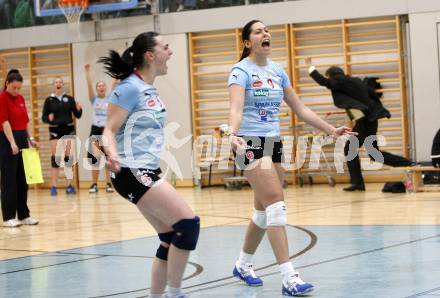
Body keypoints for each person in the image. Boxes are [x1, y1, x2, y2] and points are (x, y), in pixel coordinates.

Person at [228, 20, 355, 297]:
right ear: (248, 42)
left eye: (267, 30)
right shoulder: (241, 71)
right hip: (248, 142)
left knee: (263, 212)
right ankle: (289, 277)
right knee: (276, 206)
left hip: (274, 142)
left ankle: (242, 264)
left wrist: (331, 129)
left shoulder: (277, 71)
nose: (266, 34)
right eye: (259, 31)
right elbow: (235, 108)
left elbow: (300, 109)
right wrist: (233, 133)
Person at [99, 31, 200, 298]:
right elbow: (108, 129)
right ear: (150, 55)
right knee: (188, 226)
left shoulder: (146, 88)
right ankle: (175, 293)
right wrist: (111, 154)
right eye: (166, 47)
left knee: (169, 238)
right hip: (131, 170)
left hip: (145, 170)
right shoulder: (129, 88)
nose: (171, 52)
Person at [305, 57, 412, 191]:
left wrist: (310, 67)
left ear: (332, 75)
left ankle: (360, 182)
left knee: (354, 149)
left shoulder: (339, 80)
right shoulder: (355, 81)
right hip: (369, 118)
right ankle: (409, 165)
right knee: (370, 152)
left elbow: (323, 82)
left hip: (365, 120)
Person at [0, 68, 39, 227]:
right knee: (9, 180)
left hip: (22, 138)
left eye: (19, 88)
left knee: (23, 179)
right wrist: (12, 143)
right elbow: (4, 122)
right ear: (7, 83)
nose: (16, 91)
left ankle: (24, 214)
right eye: (13, 87)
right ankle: (9, 216)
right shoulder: (2, 98)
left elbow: (25, 122)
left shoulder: (21, 98)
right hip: (7, 138)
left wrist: (31, 139)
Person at [42, 77, 82, 196]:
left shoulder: (69, 99)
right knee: (55, 158)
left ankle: (70, 185)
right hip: (55, 130)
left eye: (60, 82)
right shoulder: (49, 100)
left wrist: (79, 109)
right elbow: (44, 117)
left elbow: (77, 115)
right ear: (53, 85)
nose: (58, 84)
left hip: (68, 129)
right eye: (56, 82)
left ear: (63, 85)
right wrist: (48, 118)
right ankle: (53, 186)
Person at [84, 63, 114, 194]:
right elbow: (89, 85)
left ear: (105, 88)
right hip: (95, 129)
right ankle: (94, 184)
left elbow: (115, 83)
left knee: (108, 159)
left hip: (106, 130)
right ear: (97, 89)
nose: (101, 87)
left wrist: (117, 71)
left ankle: (109, 184)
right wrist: (87, 72)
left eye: (103, 86)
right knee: (95, 159)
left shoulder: (110, 98)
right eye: (99, 86)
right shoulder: (94, 99)